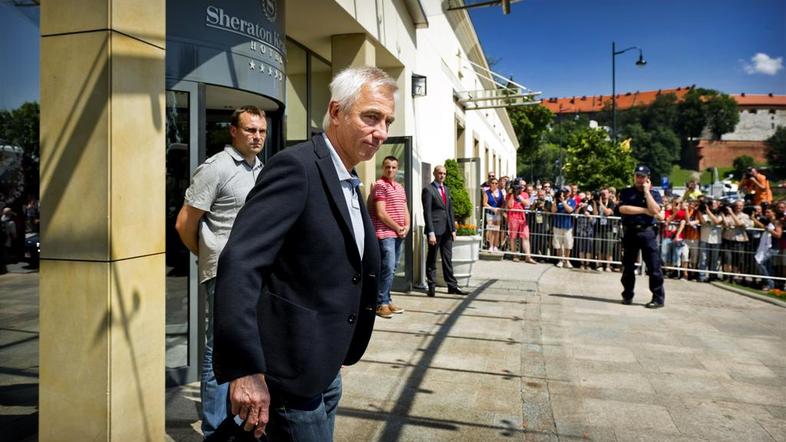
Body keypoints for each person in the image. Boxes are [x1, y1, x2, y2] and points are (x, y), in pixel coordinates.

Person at [212, 67, 395, 440]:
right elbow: (240, 264)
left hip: (324, 368)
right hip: (286, 376)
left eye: (387, 121)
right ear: (337, 112)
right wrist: (245, 370)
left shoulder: (348, 179)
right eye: (371, 117)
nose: (382, 133)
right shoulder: (296, 167)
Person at [175, 105, 267, 438]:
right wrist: (211, 255)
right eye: (250, 130)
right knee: (219, 348)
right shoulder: (216, 168)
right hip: (224, 273)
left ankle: (240, 422)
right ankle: (215, 430)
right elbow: (184, 223)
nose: (257, 137)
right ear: (233, 131)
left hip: (256, 273)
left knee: (250, 345)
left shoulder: (262, 170)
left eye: (261, 131)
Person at [618, 165, 666, 308]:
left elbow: (655, 210)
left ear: (647, 178)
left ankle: (658, 298)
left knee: (654, 267)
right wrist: (645, 210)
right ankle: (627, 295)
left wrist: (646, 192)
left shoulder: (654, 194)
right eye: (637, 176)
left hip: (647, 232)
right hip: (630, 231)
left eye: (642, 176)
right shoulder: (626, 192)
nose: (639, 179)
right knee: (628, 267)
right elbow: (623, 209)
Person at [370, 155, 410, 319]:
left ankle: (387, 299)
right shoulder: (380, 185)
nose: (390, 170)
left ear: (397, 169)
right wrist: (397, 227)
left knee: (392, 269)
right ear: (383, 168)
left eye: (393, 167)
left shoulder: (399, 187)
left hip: (399, 233)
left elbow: (404, 208)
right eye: (387, 167)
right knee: (387, 268)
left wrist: (407, 226)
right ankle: (381, 304)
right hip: (385, 234)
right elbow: (380, 213)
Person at [423, 165, 465, 297]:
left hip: (447, 230)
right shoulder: (428, 190)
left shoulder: (446, 189)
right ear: (434, 174)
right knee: (432, 259)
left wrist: (453, 229)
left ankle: (452, 286)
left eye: (444, 174)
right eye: (440, 173)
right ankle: (431, 287)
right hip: (435, 231)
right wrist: (430, 232)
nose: (442, 176)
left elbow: (449, 210)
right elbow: (427, 212)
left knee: (447, 259)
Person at [507, 181, 536, 263]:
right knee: (513, 236)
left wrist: (519, 196)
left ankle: (528, 257)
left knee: (526, 236)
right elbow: (509, 206)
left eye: (521, 186)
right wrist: (512, 194)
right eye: (518, 187)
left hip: (522, 217)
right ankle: (514, 255)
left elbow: (527, 204)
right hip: (513, 217)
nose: (520, 188)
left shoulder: (524, 194)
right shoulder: (509, 195)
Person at [550, 187, 576, 268]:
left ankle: (567, 260)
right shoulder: (557, 201)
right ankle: (560, 260)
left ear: (569, 193)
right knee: (558, 244)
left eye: (567, 192)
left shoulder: (572, 201)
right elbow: (553, 211)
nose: (565, 193)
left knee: (568, 243)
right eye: (563, 192)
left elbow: (570, 210)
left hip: (567, 226)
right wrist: (555, 200)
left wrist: (563, 202)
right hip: (558, 225)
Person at [482, 177, 504, 252]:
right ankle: (491, 245)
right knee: (491, 229)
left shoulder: (500, 192)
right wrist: (492, 208)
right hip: (490, 213)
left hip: (498, 213)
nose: (494, 184)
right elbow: (485, 203)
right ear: (490, 184)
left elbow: (502, 202)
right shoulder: (487, 192)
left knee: (497, 229)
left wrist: (500, 209)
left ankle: (495, 246)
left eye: (496, 183)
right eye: (493, 183)